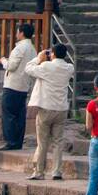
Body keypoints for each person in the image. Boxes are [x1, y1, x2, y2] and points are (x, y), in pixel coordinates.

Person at [25, 43, 74, 181]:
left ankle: (39, 172)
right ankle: (56, 171)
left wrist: (39, 58)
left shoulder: (46, 66)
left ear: (52, 53)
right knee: (58, 141)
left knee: (43, 142)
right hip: (61, 109)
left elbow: (28, 69)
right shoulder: (69, 67)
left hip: (46, 108)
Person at [0, 21, 36, 150]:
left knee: (8, 113)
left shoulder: (20, 47)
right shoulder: (32, 49)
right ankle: (18, 141)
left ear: (21, 33)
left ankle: (10, 141)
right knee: (20, 115)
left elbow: (11, 66)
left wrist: (4, 61)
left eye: (17, 31)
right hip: (24, 85)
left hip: (12, 85)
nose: (16, 34)